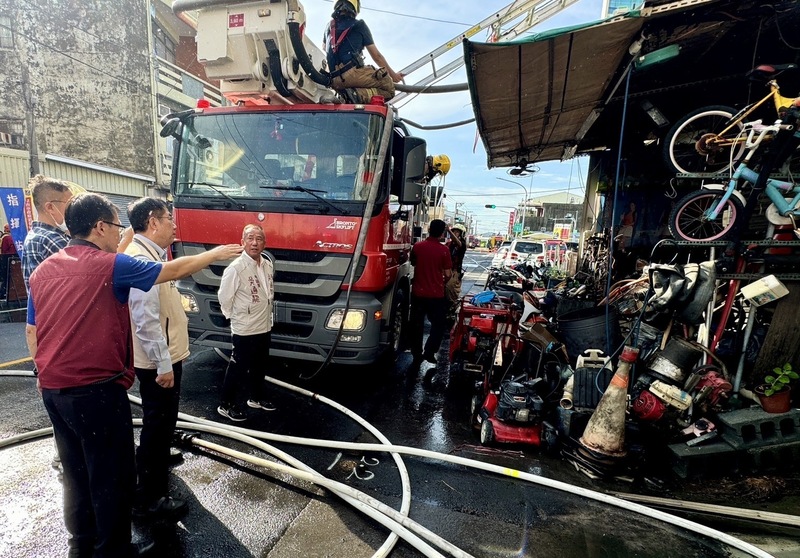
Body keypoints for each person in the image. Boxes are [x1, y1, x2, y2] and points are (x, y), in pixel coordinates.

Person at [26, 192, 242, 558]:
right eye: (115, 226)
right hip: (96, 391)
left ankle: (81, 544)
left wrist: (42, 372)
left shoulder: (43, 270)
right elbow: (171, 271)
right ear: (99, 227)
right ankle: (114, 550)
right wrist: (216, 253)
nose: (119, 234)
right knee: (111, 475)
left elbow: (33, 331)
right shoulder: (111, 264)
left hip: (53, 388)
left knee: (76, 473)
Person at [124, 198, 188, 519]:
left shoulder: (154, 255)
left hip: (165, 354)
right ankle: (150, 497)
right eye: (169, 219)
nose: (173, 225)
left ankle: (156, 463)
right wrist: (163, 365)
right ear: (153, 222)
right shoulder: (140, 259)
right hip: (157, 362)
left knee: (162, 424)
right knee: (157, 425)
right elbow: (145, 319)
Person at [217, 224, 276, 422]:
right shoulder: (235, 268)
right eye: (250, 238)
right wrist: (236, 317)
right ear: (242, 242)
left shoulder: (267, 264)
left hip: (264, 324)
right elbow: (224, 298)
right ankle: (226, 404)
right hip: (245, 326)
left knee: (260, 364)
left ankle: (256, 398)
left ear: (264, 243)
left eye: (259, 239)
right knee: (238, 367)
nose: (254, 243)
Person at [323, 0, 404, 103]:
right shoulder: (360, 25)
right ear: (355, 8)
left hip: (334, 80)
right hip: (352, 75)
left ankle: (348, 95)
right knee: (388, 86)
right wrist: (394, 76)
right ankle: (354, 95)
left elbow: (324, 47)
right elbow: (377, 56)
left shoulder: (328, 27)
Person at [408, 219, 452, 364]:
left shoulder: (418, 246)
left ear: (429, 229)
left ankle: (416, 353)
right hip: (436, 294)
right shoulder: (444, 250)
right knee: (438, 325)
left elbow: (413, 262)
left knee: (416, 324)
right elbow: (448, 274)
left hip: (418, 293)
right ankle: (429, 351)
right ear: (441, 233)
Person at [22, 174, 73, 292]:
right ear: (50, 207)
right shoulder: (50, 239)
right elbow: (86, 273)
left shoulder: (36, 235)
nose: (72, 208)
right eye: (69, 204)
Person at [445, 223, 467, 319]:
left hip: (454, 271)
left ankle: (452, 309)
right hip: (445, 269)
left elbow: (458, 243)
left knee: (450, 288)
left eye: (457, 232)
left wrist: (449, 231)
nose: (455, 233)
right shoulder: (449, 244)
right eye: (454, 231)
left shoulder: (462, 245)